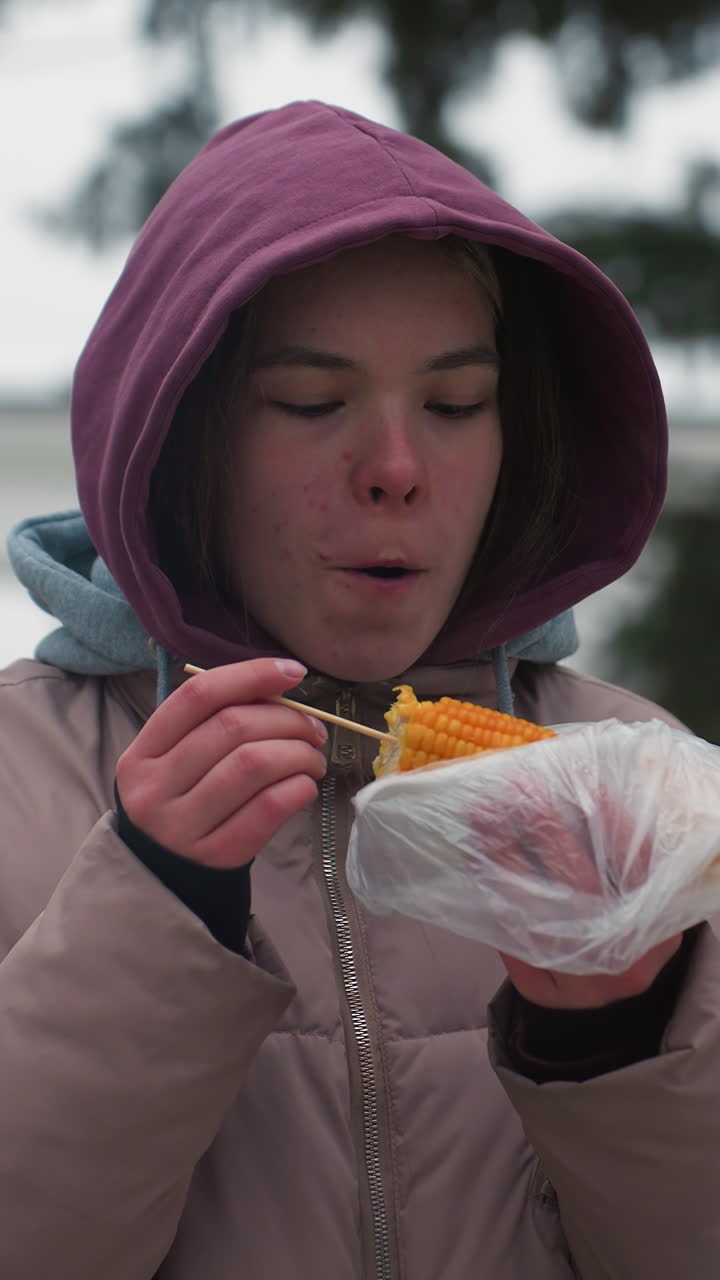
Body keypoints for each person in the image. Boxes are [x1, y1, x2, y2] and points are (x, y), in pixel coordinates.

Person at [1, 99, 718, 1280]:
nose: (395, 468)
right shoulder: (17, 776)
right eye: (311, 402)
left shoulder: (636, 786)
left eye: (454, 405)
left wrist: (616, 1039)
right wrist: (154, 910)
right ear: (185, 439)